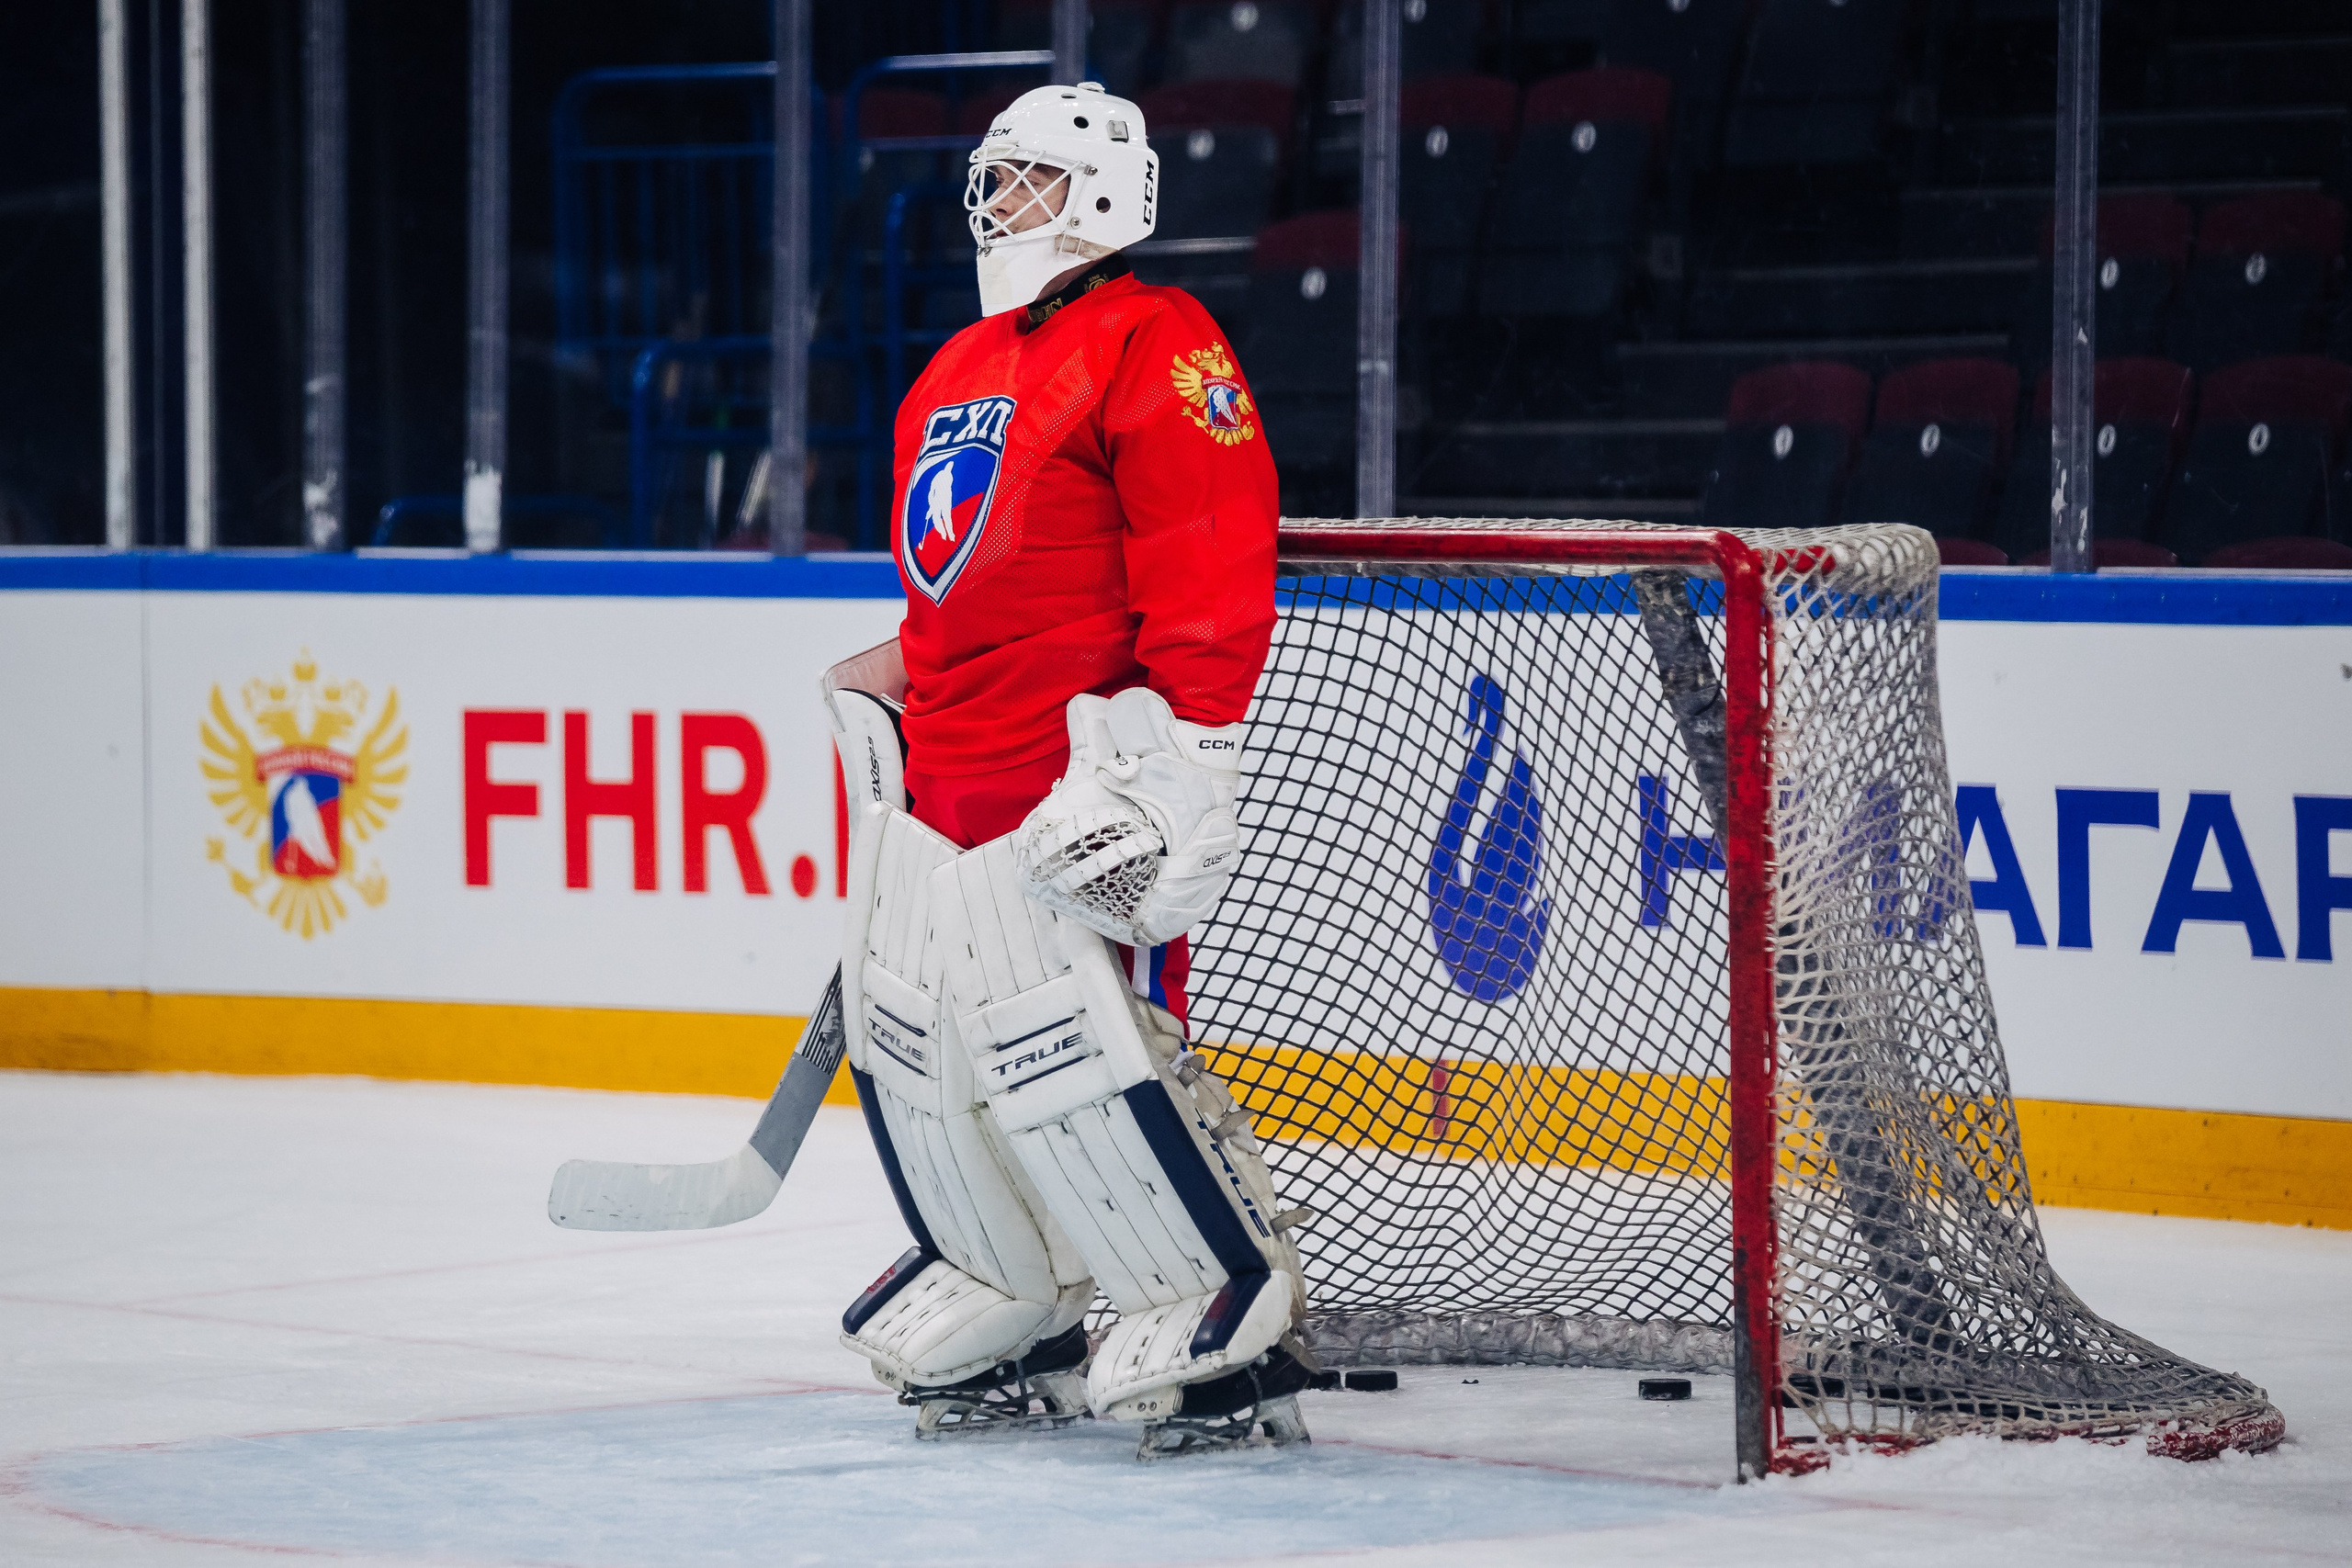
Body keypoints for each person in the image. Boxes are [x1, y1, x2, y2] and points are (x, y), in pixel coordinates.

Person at [823, 81, 1311, 1458]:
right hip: (951, 792)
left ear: (1104, 196)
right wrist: (895, 677)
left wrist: (1185, 758)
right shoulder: (957, 365)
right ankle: (1016, 1301)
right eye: (995, 179)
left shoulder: (1161, 341)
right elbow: (965, 580)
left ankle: (1219, 1329)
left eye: (1027, 180)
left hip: (1077, 795)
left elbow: (1210, 554)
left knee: (1085, 1064)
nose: (999, 205)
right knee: (929, 1057)